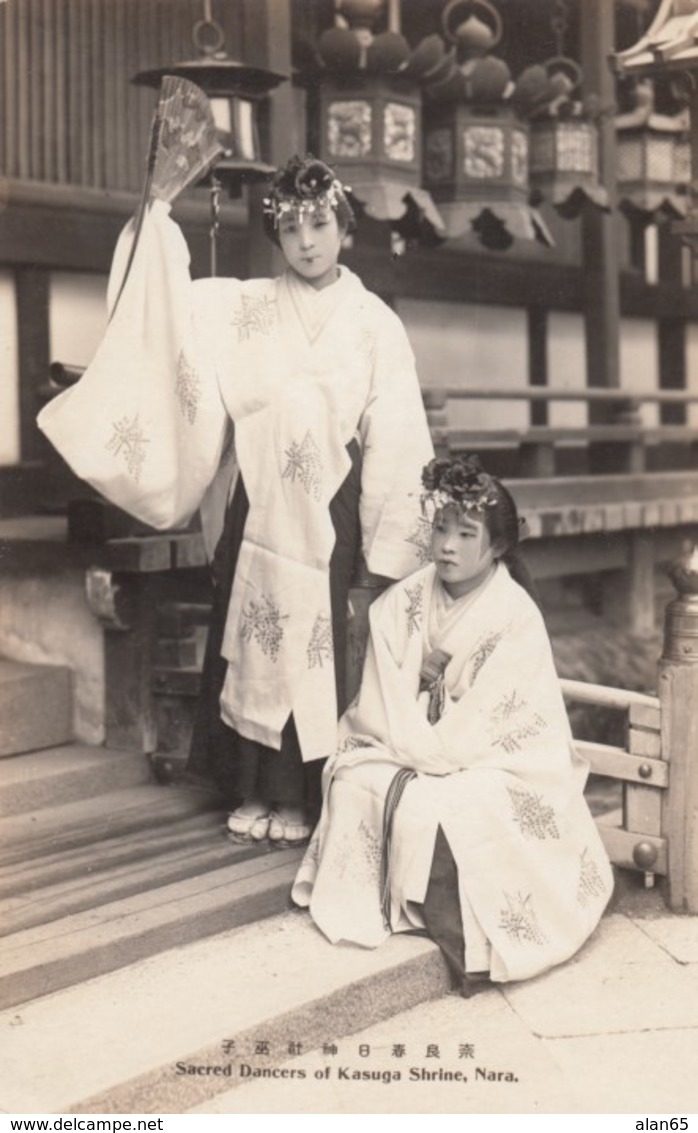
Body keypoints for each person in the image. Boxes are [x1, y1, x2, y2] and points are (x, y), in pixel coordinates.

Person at [37, 154, 434, 847]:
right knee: (252, 637)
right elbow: (162, 311)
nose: (305, 241)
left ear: (344, 228)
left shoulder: (375, 325)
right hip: (257, 498)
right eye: (290, 228)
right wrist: (154, 221)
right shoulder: (242, 304)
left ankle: (303, 796)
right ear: (276, 234)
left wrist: (384, 551)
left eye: (319, 224)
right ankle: (252, 787)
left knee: (315, 645)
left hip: (329, 507)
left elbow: (397, 436)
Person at [292, 455, 613, 989]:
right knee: (353, 780)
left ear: (499, 547)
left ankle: (467, 935)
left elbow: (502, 717)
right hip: (403, 744)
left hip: (499, 759)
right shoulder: (401, 604)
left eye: (467, 534)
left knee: (460, 804)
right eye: (441, 529)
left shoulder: (515, 615)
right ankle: (401, 903)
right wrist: (416, 686)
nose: (447, 546)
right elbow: (378, 700)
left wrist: (433, 749)